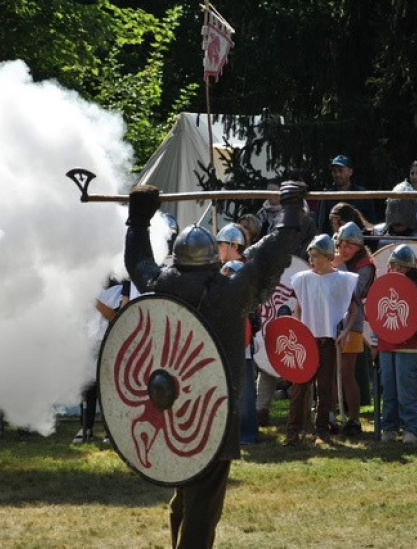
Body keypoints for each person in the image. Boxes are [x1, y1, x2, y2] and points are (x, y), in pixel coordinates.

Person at [124, 181, 306, 548]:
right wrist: (290, 210)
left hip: (171, 407)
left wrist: (138, 219)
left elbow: (138, 262)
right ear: (211, 260)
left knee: (186, 492)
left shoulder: (163, 284)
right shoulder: (230, 290)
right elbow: (272, 255)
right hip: (212, 409)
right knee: (204, 503)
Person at [287, 234, 359, 446]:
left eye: (316, 256)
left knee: (324, 387)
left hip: (327, 340)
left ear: (328, 257)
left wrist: (345, 332)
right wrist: (298, 330)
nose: (312, 260)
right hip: (306, 340)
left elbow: (354, 309)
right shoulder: (303, 279)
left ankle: (321, 430)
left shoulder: (341, 280)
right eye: (310, 256)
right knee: (299, 387)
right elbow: (298, 308)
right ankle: (294, 431)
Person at [379, 244, 417, 443]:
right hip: (387, 346)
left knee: (408, 393)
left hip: (410, 347)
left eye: (400, 266)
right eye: (393, 266)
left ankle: (412, 429)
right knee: (389, 392)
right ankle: (390, 428)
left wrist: (412, 310)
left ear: (409, 269)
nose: (395, 270)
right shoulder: (384, 288)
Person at [331, 222, 376, 437]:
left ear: (358, 247)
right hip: (329, 322)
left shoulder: (365, 266)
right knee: (329, 372)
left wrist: (339, 268)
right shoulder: (333, 261)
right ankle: (329, 415)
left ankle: (355, 419)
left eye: (349, 246)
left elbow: (355, 293)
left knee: (347, 373)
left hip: (352, 323)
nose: (344, 249)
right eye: (342, 245)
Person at [74, 277, 130, 444]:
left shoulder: (123, 285)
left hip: (110, 342)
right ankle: (86, 427)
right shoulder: (89, 279)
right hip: (89, 342)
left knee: (109, 388)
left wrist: (95, 302)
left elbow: (115, 317)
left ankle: (110, 430)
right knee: (87, 388)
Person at [220, 260, 260, 446]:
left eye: (231, 275)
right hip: (223, 353)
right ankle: (226, 433)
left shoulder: (248, 301)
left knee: (245, 398)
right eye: (226, 275)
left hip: (242, 353)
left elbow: (254, 326)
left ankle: (248, 434)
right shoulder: (219, 299)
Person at [315, 154, 378, 233]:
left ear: (350, 172)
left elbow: (372, 225)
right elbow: (319, 226)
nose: (337, 174)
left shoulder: (362, 195)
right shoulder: (326, 197)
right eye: (334, 171)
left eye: (340, 170)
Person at [373, 181, 417, 249]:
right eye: (394, 208)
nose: (398, 215)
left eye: (402, 209)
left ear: (412, 210)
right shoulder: (378, 233)